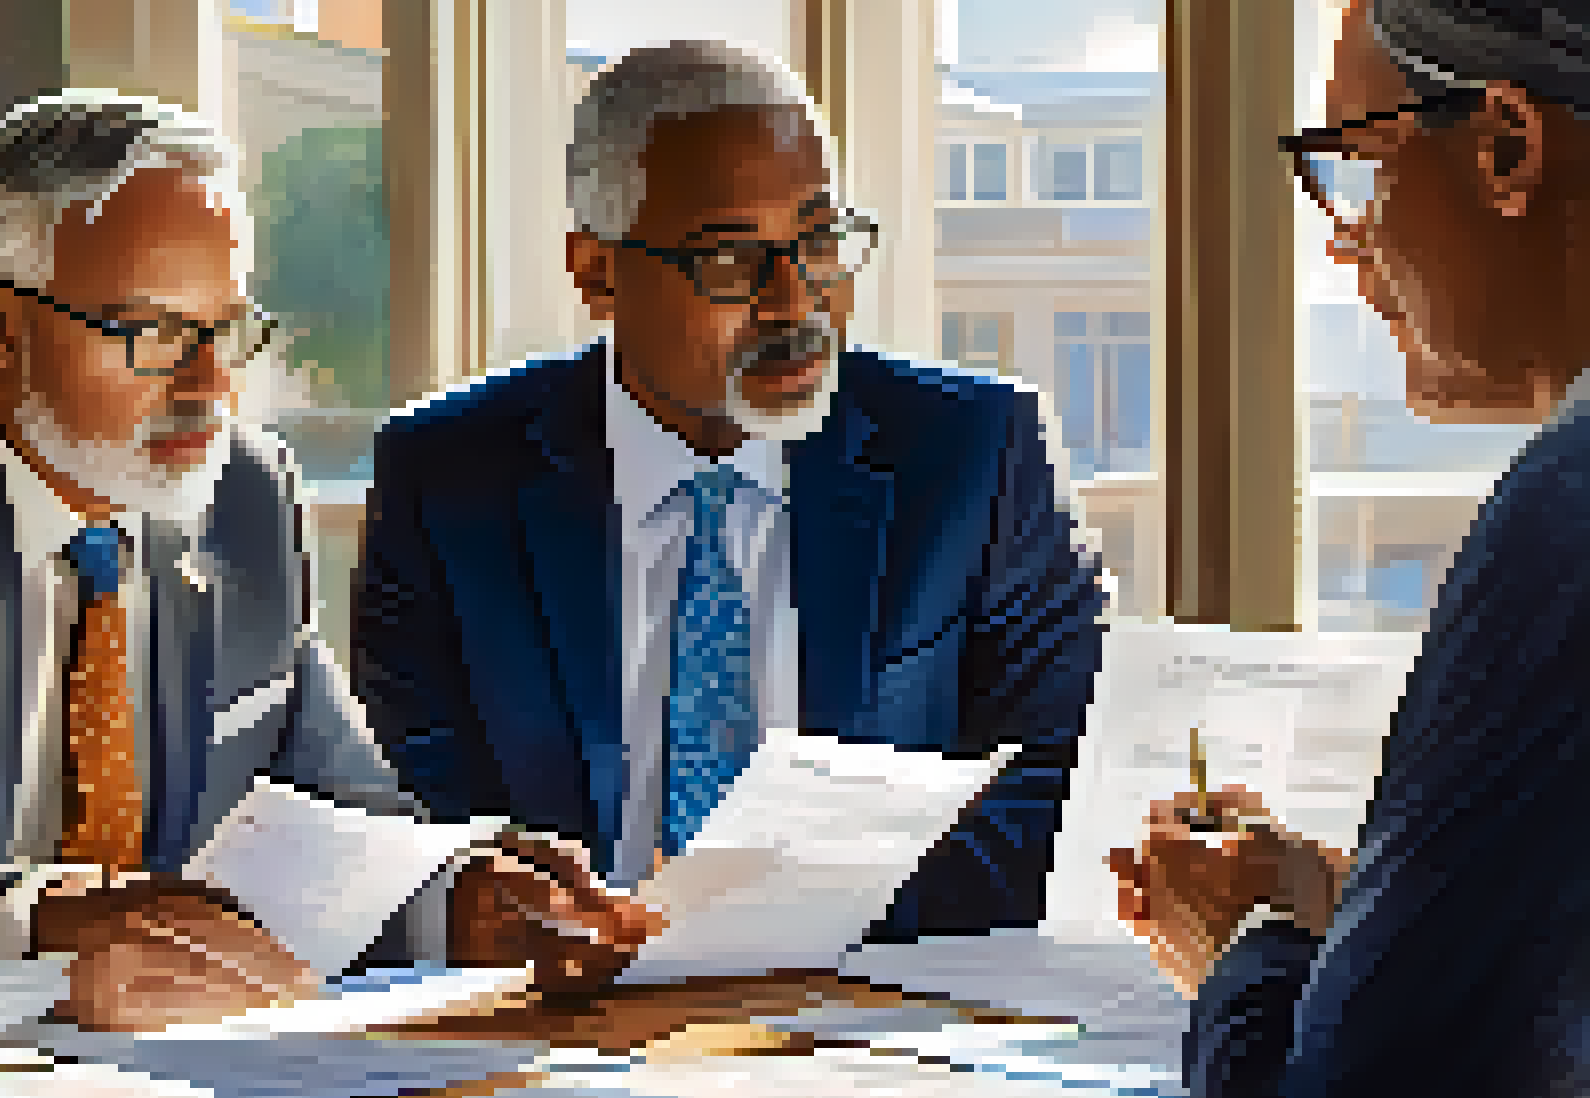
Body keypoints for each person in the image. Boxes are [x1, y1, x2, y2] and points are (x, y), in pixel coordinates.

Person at [0, 90, 654, 1033]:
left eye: (226, 329)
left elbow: (337, 815)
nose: (213, 384)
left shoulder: (247, 493)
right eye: (154, 333)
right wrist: (54, 922)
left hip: (164, 1088)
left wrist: (455, 897)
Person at [352, 40, 1104, 939]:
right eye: (730, 262)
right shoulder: (445, 479)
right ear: (595, 270)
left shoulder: (975, 457)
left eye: (818, 243)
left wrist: (806, 929)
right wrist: (489, 910)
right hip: (559, 1027)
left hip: (872, 1016)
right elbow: (405, 814)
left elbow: (1059, 789)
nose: (794, 302)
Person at [1109, 1, 1590, 1098]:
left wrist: (1238, 947)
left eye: (1362, 167)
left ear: (1505, 148)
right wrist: (1366, 915)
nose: (1344, 242)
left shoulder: (1566, 520)